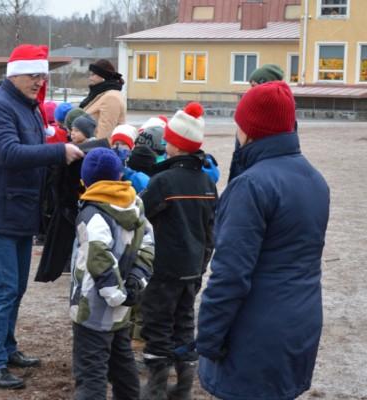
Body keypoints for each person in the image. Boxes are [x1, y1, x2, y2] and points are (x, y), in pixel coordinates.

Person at [196, 81, 330, 400]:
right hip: (301, 322)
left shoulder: (252, 186)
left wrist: (209, 339)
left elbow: (230, 276)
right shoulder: (315, 180)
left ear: (251, 129)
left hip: (255, 333)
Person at [0, 43, 84, 389]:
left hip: (18, 210)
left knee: (15, 287)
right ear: (15, 74)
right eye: (34, 75)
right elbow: (8, 153)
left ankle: (6, 347)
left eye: (43, 75)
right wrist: (58, 152)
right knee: (4, 287)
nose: (39, 82)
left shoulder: (27, 106)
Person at [139, 103, 217, 400]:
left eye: (168, 139)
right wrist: (202, 263)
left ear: (176, 144)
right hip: (193, 267)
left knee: (157, 324)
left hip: (164, 268)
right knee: (184, 322)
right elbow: (211, 228)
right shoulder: (207, 181)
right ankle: (183, 386)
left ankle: (156, 388)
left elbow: (140, 214)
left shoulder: (164, 182)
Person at [70, 147, 154, 399]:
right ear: (119, 176)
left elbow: (99, 259)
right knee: (122, 363)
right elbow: (148, 245)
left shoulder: (92, 215)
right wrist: (135, 284)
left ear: (85, 181)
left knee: (91, 373)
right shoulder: (135, 203)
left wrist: (116, 295)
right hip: (122, 307)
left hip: (93, 309)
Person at [229, 63, 285, 183]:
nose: (250, 91)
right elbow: (238, 155)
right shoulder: (250, 112)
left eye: (254, 86)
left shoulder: (281, 119)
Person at [80, 59, 126, 139]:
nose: (90, 78)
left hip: (97, 148)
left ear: (103, 76)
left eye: (93, 74)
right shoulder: (100, 94)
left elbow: (105, 134)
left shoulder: (111, 98)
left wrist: (94, 150)